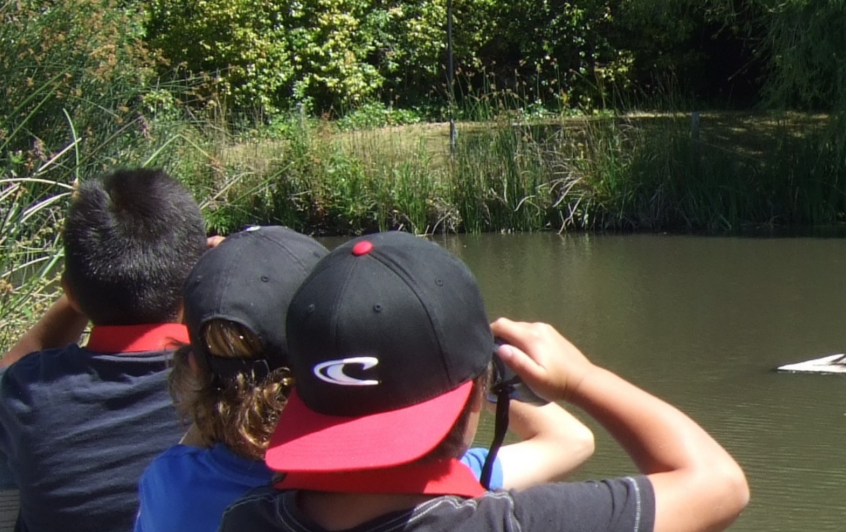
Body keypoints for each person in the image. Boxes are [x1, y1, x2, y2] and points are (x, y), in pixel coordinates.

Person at [219, 230, 750, 532]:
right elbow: (719, 484)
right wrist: (583, 378)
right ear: (478, 390)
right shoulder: (514, 525)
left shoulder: (244, 523)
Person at [135, 227, 594, 532]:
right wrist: (459, 359)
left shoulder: (168, 484)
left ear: (194, 367)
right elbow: (571, 440)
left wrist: (220, 322)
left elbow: (207, 414)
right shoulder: (429, 479)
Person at [0, 168, 209, 532]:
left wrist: (76, 298)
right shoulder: (231, 391)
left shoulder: (31, 396)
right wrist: (219, 276)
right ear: (197, 280)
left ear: (71, 292)